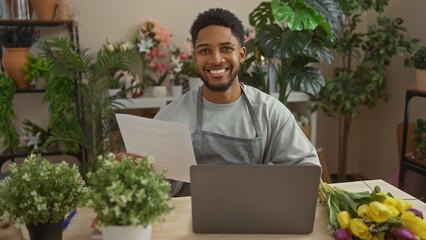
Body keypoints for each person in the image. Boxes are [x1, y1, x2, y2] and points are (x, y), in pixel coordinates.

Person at [154, 8, 320, 196]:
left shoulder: (269, 110)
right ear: (195, 58)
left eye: (226, 49)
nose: (216, 59)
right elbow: (157, 188)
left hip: (254, 218)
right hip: (186, 221)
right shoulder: (170, 118)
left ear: (241, 54)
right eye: (205, 51)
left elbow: (307, 167)